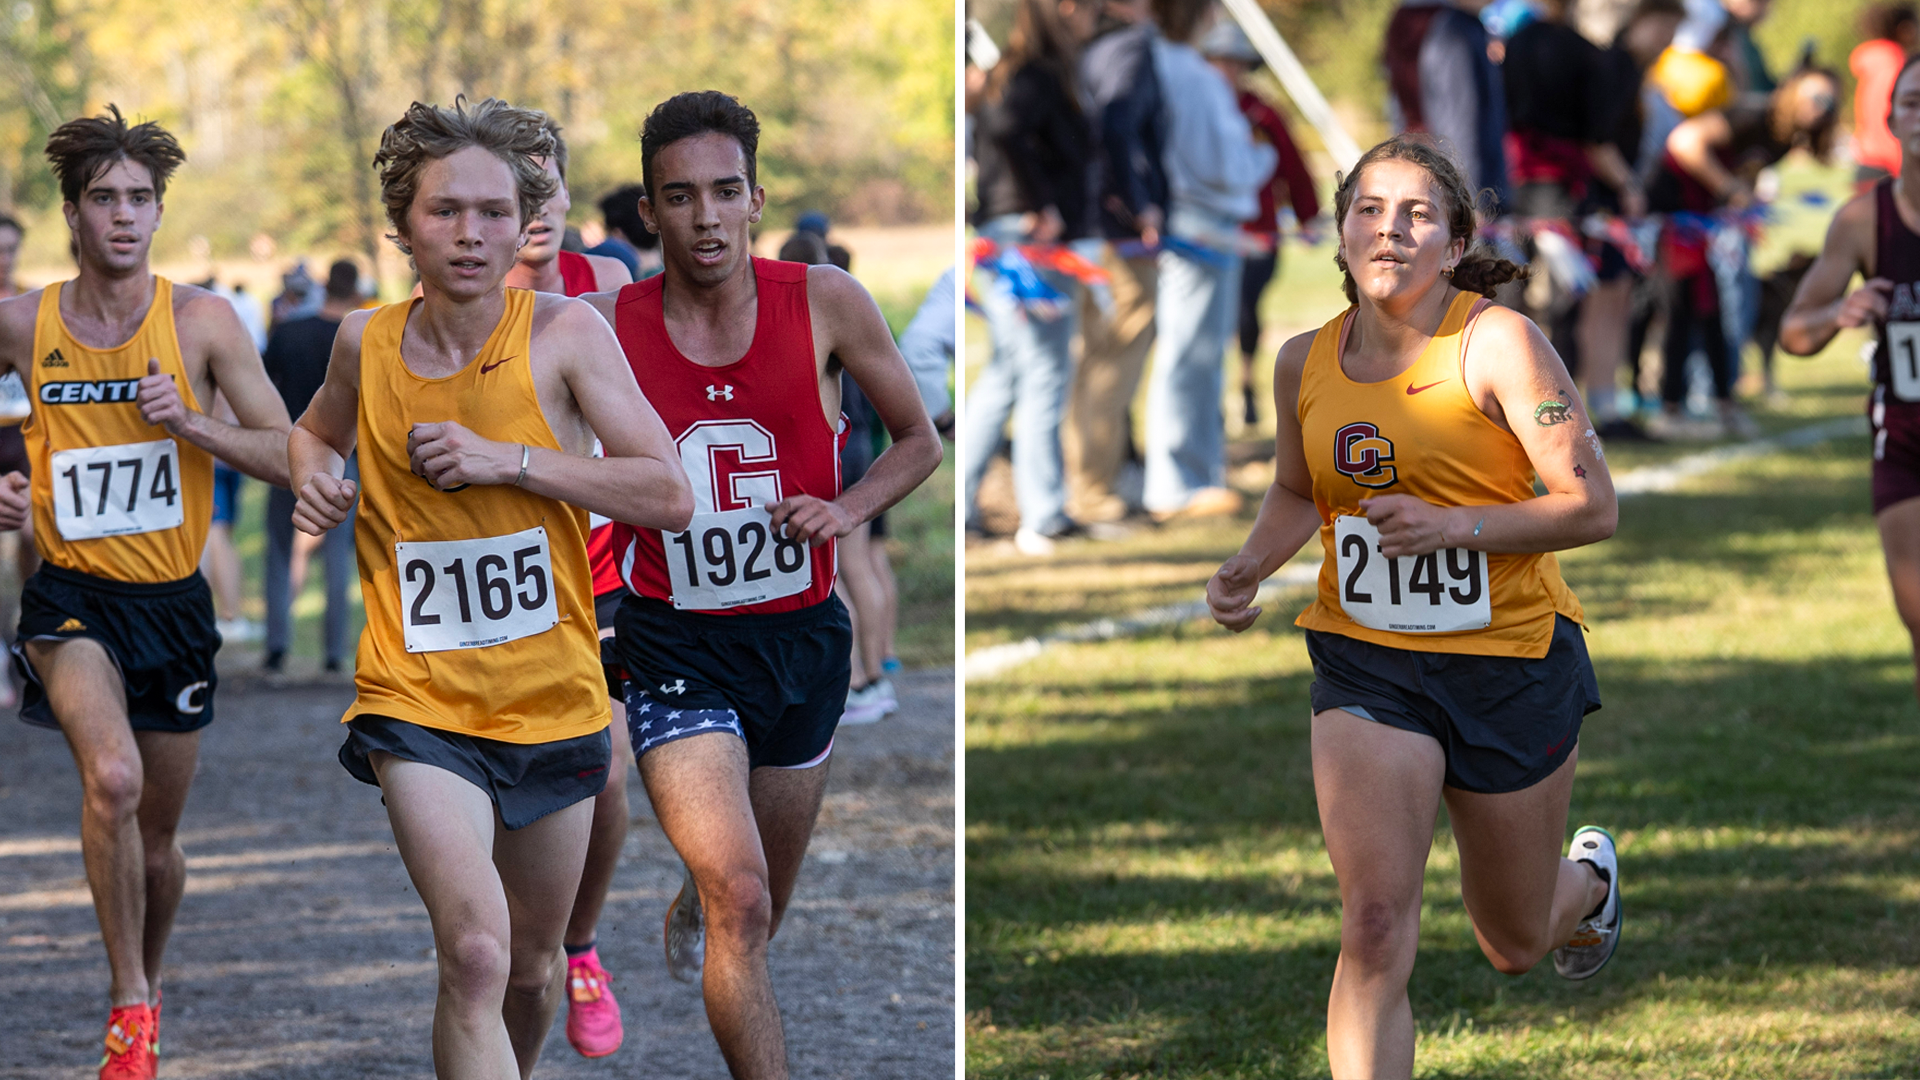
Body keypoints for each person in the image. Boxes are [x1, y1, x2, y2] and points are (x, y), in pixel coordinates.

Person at [287, 96, 691, 1080]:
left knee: (532, 965)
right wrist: (309, 471)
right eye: (445, 211)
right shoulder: (363, 345)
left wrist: (514, 458)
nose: (472, 233)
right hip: (415, 698)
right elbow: (313, 432)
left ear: (524, 219)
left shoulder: (565, 337)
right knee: (474, 951)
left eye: (494, 211)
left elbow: (667, 493)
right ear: (401, 225)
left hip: (551, 699)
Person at [1204, 135, 1621, 1079]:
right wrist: (1248, 565)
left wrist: (1455, 526)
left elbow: (1592, 506)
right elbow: (1301, 490)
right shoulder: (1301, 359)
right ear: (1341, 232)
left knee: (1512, 941)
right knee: (1375, 923)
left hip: (1510, 660)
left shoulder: (1498, 342)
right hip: (1367, 661)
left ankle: (1587, 888)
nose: (1389, 229)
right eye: (1369, 210)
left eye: (1417, 213)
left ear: (1456, 239)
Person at [582, 90, 940, 1080]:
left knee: (755, 904)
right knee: (743, 894)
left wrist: (846, 507)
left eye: (725, 191)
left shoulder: (825, 301)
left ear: (757, 198)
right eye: (680, 196)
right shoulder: (600, 325)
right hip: (673, 642)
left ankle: (698, 896)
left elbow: (918, 440)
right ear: (648, 212)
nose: (705, 217)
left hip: (801, 642)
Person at [0, 105, 295, 1079]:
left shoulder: (202, 320)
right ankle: (127, 995)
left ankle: (148, 985)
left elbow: (292, 450)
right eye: (103, 199)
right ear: (74, 214)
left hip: (173, 605)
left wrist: (196, 426)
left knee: (158, 846)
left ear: (159, 211)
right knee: (113, 780)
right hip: (71, 596)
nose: (123, 216)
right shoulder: (24, 321)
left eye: (140, 199)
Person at [498, 114, 643, 1060]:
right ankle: (527, 950)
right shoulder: (459, 297)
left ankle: (579, 946)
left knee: (612, 779)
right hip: (512, 591)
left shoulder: (611, 285)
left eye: (551, 185)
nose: (541, 208)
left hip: (605, 577)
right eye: (522, 189)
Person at [1782, 56, 1920, 704]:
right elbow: (1795, 333)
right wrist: (1841, 312)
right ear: (1891, 118)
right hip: (1905, 440)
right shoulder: (1865, 219)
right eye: (1914, 103)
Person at [963, 0, 1096, 554]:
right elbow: (1007, 131)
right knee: (1043, 371)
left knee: (1009, 373)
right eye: (1088, 7)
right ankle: (1042, 514)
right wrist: (1040, 205)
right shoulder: (1033, 73)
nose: (1095, 16)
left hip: (1017, 230)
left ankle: (966, 507)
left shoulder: (1029, 72)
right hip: (1027, 239)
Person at [1647, 64, 1840, 439]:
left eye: (1830, 102)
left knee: (1714, 309)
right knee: (1681, 307)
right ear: (1794, 91)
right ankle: (1670, 409)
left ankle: (1724, 406)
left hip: (1706, 218)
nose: (1821, 107)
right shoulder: (1755, 114)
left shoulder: (1788, 135)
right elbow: (1684, 142)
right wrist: (1731, 190)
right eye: (1814, 96)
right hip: (1677, 211)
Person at [1141, 0, 1274, 520]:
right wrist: (1259, 158)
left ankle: (1195, 471)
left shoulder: (1177, 67)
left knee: (1197, 355)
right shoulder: (1189, 73)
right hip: (1200, 224)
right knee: (1189, 355)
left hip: (1201, 223)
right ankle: (1178, 480)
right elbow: (1222, 163)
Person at [1064, 0, 1166, 526]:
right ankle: (1094, 491)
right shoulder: (1129, 46)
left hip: (1092, 223)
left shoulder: (1088, 47)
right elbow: (1119, 123)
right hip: (1119, 230)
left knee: (1092, 359)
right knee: (1113, 359)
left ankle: (1090, 482)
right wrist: (1140, 202)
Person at [1199, 19, 1321, 429]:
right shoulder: (1193, 111)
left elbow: (1293, 165)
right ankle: (1209, 400)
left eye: (1235, 63)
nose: (1228, 71)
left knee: (1246, 312)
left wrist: (1307, 216)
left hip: (1259, 234)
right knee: (1209, 321)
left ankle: (1247, 384)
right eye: (1219, 62)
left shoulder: (1262, 113)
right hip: (1208, 234)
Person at [261, 259, 361, 674]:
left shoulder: (288, 331)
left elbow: (267, 387)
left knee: (280, 551)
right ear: (355, 289)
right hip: (345, 457)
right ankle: (334, 652)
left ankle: (277, 645)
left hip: (293, 449)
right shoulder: (358, 336)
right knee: (338, 556)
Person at [1382, 0, 1508, 211]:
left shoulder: (1403, 22)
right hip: (1452, 186)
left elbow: (1397, 108)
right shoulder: (1454, 28)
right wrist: (1469, 202)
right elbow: (1460, 119)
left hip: (1414, 169)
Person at [1852, 5, 1919, 189]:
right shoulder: (1893, 68)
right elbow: (1885, 120)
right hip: (1886, 167)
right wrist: (1905, 166)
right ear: (1904, 29)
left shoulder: (1876, 65)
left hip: (1870, 162)